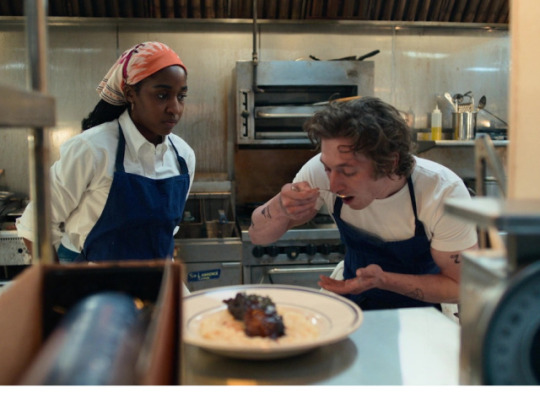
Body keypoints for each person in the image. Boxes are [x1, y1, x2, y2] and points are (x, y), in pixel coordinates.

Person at [249, 97, 477, 310]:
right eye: (328, 169)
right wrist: (280, 206)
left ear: (390, 163)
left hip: (423, 313)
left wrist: (384, 280)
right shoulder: (320, 170)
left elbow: (460, 287)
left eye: (348, 171)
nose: (333, 184)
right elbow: (258, 236)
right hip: (353, 302)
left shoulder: (442, 192)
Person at [16, 41, 195, 263]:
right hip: (93, 280)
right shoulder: (92, 149)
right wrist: (58, 281)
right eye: (162, 95)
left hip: (155, 279)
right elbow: (35, 226)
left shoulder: (183, 157)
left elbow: (164, 233)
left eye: (181, 96)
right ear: (130, 94)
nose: (175, 108)